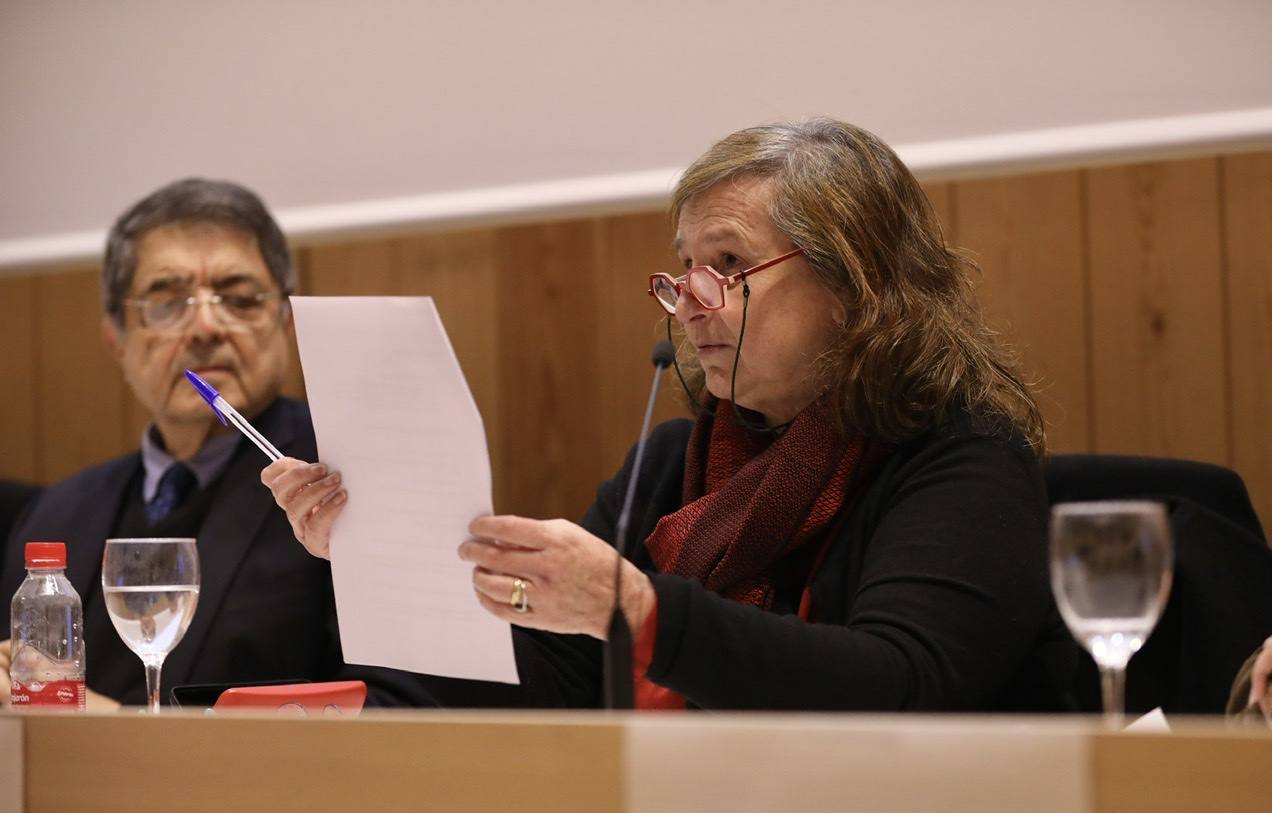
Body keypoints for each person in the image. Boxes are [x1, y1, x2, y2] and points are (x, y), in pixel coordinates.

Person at [264, 118, 1077, 710]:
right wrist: (378, 555)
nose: (690, 303)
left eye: (727, 265)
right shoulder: (669, 467)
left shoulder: (962, 458)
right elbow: (558, 682)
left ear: (854, 286)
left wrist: (643, 610)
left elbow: (903, 683)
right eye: (683, 269)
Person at [0, 178, 426, 708]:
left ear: (284, 321)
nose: (204, 327)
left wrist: (109, 722)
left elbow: (400, 709)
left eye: (240, 299)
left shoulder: (354, 479)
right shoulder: (58, 512)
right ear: (116, 337)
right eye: (168, 301)